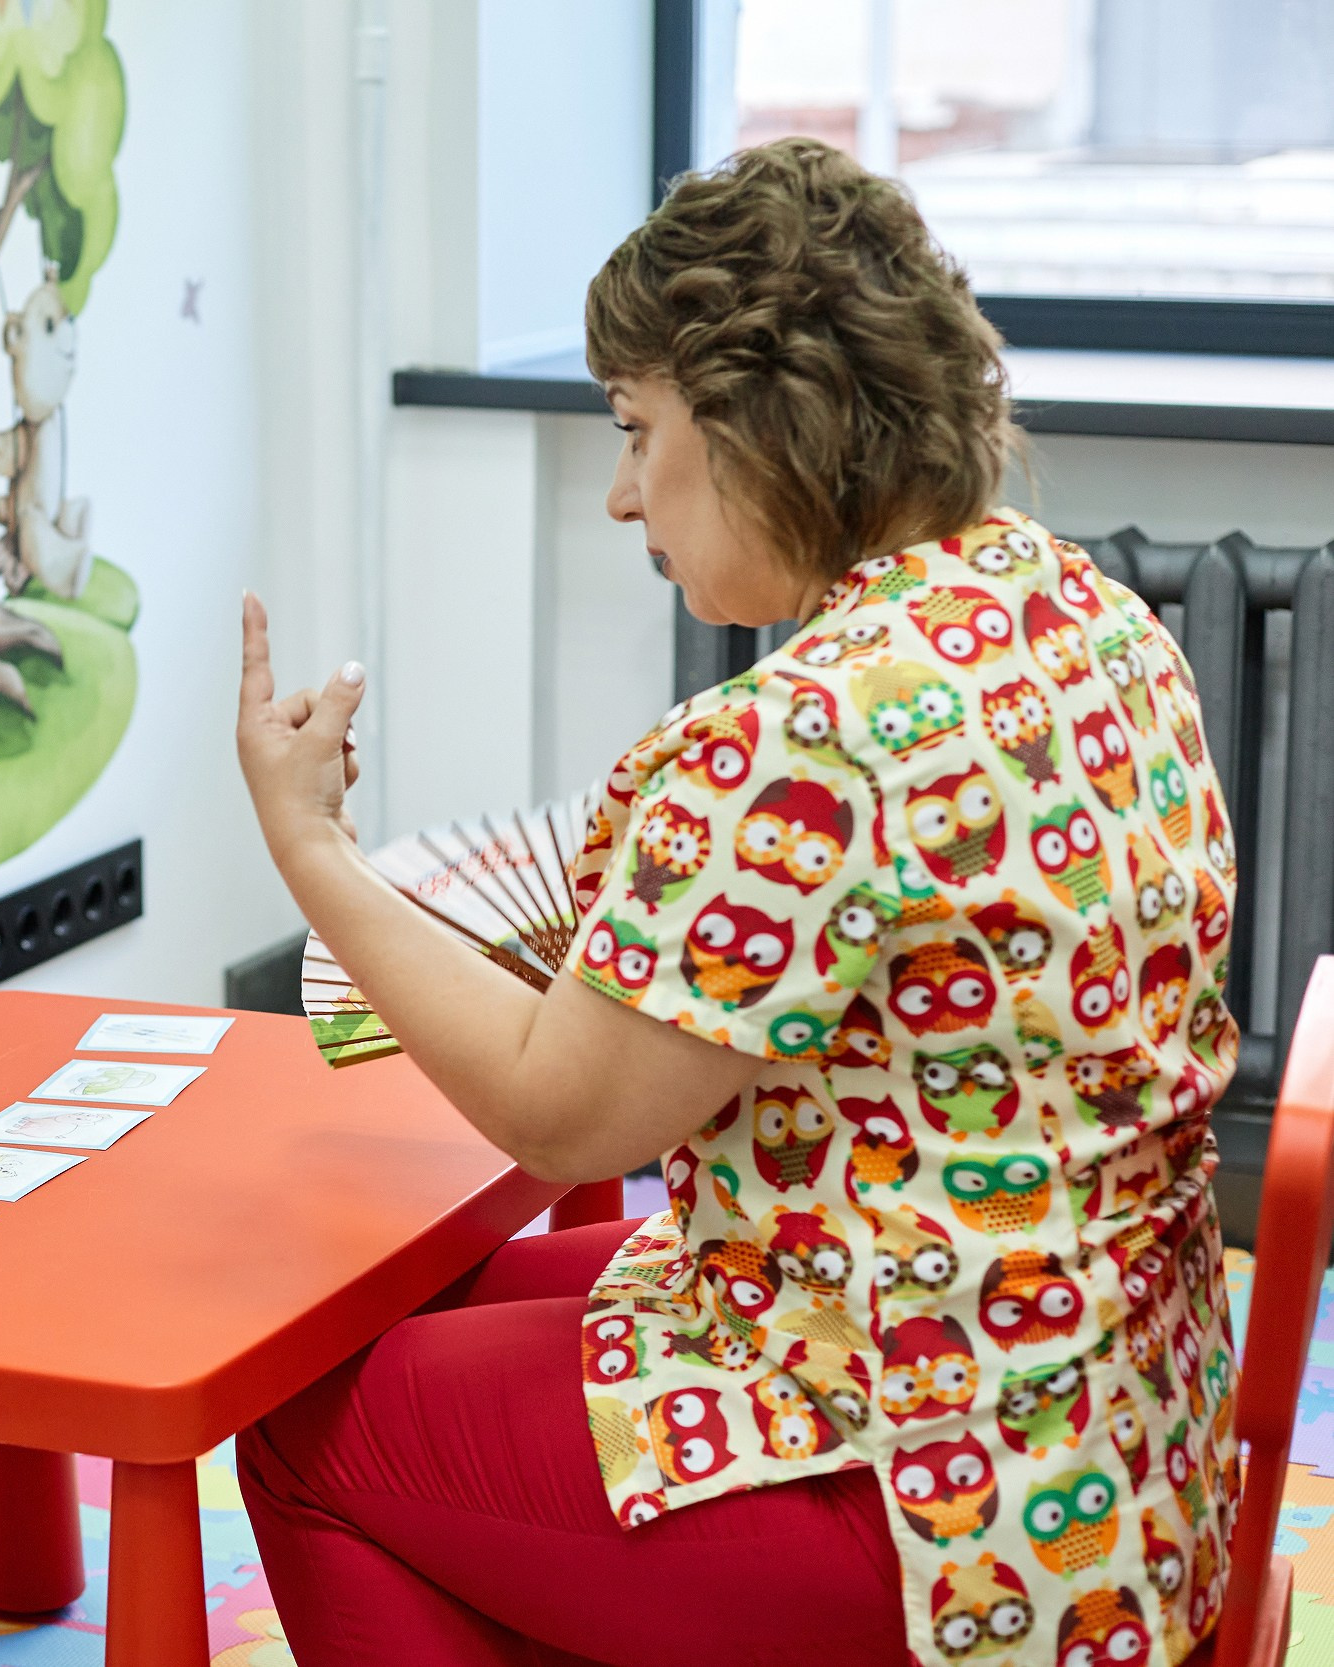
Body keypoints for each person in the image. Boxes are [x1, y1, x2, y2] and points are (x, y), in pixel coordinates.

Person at [232, 138, 1240, 1667]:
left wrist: (312, 846)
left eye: (638, 430)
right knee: (445, 1306)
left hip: (939, 1512)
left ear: (769, 415)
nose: (626, 493)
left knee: (304, 1430)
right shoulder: (1080, 611)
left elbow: (561, 1117)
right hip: (1113, 1438)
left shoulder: (805, 728)